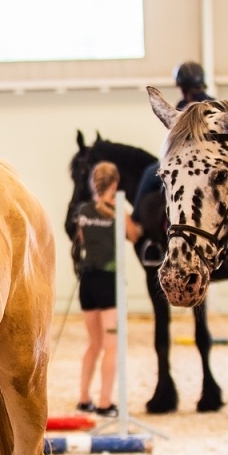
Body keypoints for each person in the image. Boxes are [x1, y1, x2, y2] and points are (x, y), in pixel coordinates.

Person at [72, 162, 138, 416]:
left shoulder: (83, 210)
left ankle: (83, 397)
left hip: (87, 282)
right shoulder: (120, 210)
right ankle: (104, 402)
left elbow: (81, 238)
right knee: (112, 344)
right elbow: (133, 236)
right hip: (109, 282)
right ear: (115, 184)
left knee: (94, 343)